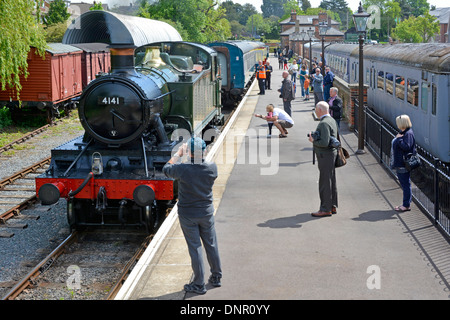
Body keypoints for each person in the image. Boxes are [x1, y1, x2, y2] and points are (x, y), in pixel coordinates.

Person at [163, 137, 222, 294]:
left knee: (195, 248)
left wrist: (178, 154)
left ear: (189, 152)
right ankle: (216, 277)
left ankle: (198, 284)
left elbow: (166, 169)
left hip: (188, 214)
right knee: (211, 244)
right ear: (204, 150)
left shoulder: (182, 169)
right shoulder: (212, 167)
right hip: (206, 212)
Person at [308, 101, 338, 217]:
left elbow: (324, 143)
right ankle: (332, 206)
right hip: (331, 155)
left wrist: (313, 140)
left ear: (320, 110)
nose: (315, 111)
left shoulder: (324, 123)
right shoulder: (331, 120)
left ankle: (325, 209)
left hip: (325, 155)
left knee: (324, 182)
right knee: (331, 181)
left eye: (316, 109)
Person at [390, 114, 415, 212]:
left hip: (403, 163)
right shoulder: (404, 132)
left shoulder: (407, 134)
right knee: (405, 184)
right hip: (400, 163)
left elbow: (407, 147)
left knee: (405, 185)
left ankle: (406, 205)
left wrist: (398, 139)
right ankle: (406, 203)